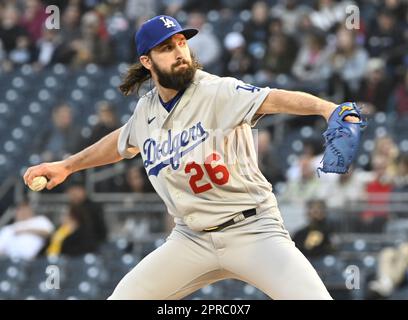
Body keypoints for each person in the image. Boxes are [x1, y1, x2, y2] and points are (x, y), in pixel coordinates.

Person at [24, 15, 360, 300]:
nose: (180, 52)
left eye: (182, 42)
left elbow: (272, 99)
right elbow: (122, 142)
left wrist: (325, 108)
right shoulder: (147, 111)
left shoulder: (216, 90)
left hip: (253, 230)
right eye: (167, 48)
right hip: (191, 239)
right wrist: (67, 165)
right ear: (147, 61)